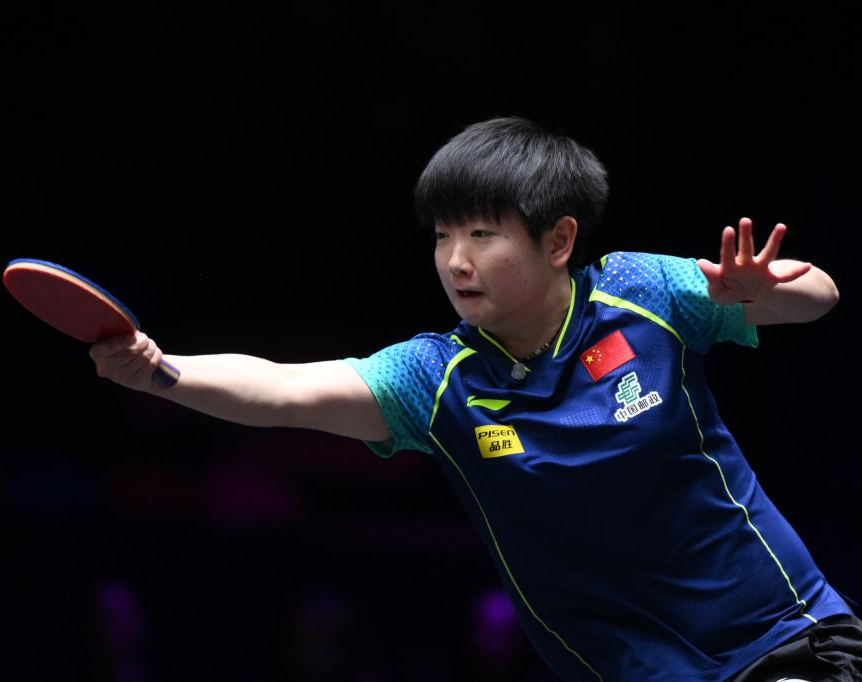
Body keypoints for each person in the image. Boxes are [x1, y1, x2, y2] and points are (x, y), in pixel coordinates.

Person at [89, 117, 861, 680]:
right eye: (442, 236)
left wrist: (761, 292)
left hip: (778, 636)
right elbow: (286, 389)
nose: (456, 261)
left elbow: (820, 296)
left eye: (483, 235)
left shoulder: (643, 293)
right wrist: (161, 371)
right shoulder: (437, 379)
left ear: (557, 241)